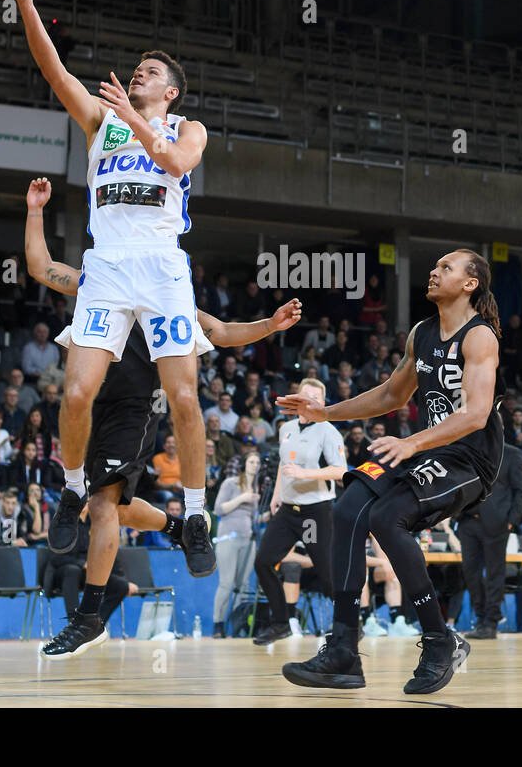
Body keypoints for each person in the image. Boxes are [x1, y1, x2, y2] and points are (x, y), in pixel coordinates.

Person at [0, 0, 217, 580]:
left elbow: (176, 164)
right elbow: (54, 69)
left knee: (182, 397)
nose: (136, 74)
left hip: (163, 267)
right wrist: (28, 5)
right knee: (75, 392)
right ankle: (71, 489)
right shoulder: (100, 121)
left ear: (168, 91)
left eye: (149, 72)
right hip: (108, 268)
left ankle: (195, 515)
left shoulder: (187, 127)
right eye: (138, 71)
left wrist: (136, 118)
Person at [19, 178, 303, 658]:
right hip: (83, 407)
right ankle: (175, 528)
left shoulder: (168, 298)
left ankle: (88, 617)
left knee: (105, 505)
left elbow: (222, 331)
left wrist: (269, 326)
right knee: (105, 504)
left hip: (132, 408)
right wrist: (34, 211)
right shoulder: (98, 283)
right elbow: (40, 266)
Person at [278, 249, 503, 695]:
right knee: (347, 510)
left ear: (470, 283)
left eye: (446, 268)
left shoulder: (480, 338)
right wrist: (326, 413)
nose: (435, 272)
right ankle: (343, 648)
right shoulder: (422, 333)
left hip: (471, 459)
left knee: (386, 518)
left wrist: (412, 442)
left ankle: (439, 642)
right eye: (435, 265)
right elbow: (391, 396)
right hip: (426, 447)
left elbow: (477, 414)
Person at [249, 378, 347, 646]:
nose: (308, 400)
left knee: (326, 573)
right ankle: (280, 623)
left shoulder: (328, 431)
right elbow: (284, 463)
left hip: (314, 513)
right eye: (304, 395)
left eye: (315, 397)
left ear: (322, 403)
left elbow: (341, 472)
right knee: (263, 562)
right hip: (287, 511)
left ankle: (349, 625)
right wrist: (278, 492)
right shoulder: (287, 428)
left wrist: (306, 473)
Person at [457, 445, 522, 639]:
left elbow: (521, 491)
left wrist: (511, 521)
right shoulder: (469, 450)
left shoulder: (513, 454)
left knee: (494, 573)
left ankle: (491, 622)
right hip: (468, 521)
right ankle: (481, 618)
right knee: (470, 572)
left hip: (497, 523)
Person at [212, 451, 260, 637]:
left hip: (247, 539)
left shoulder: (256, 488)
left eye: (257, 462)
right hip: (228, 538)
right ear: (244, 464)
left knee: (243, 584)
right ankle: (218, 623)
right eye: (251, 461)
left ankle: (237, 624)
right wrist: (242, 498)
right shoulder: (230, 483)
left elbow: (253, 517)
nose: (255, 465)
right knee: (226, 583)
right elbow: (218, 509)